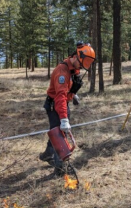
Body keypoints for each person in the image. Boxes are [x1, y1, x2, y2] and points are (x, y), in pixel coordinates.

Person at [39, 42, 95, 175]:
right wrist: (64, 118)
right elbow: (60, 97)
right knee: (60, 134)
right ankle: (60, 169)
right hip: (55, 105)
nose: (80, 68)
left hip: (63, 103)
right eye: (80, 64)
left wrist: (73, 94)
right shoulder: (62, 72)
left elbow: (67, 89)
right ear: (75, 57)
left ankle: (48, 154)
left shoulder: (73, 69)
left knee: (56, 132)